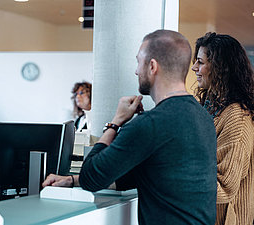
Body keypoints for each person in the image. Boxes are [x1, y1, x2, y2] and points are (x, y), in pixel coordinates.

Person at [43, 30, 217, 224]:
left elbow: (91, 176)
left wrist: (115, 122)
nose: (136, 71)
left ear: (152, 66)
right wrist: (71, 180)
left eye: (138, 62)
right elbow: (134, 177)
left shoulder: (150, 124)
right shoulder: (202, 117)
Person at [191, 32, 254, 225]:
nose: (194, 68)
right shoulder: (212, 108)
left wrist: (170, 174)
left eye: (200, 62)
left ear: (221, 68)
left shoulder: (236, 117)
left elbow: (224, 186)